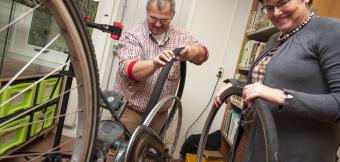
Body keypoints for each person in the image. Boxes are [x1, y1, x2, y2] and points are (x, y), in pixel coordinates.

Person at [214, 0, 340, 161]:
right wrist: (235, 85)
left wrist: (282, 97)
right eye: (269, 7)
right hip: (253, 137)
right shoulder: (275, 38)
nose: (276, 13)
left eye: (283, 2)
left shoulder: (331, 30)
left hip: (292, 151)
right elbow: (268, 83)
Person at [113, 0, 208, 134]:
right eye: (153, 18)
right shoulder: (133, 35)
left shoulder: (182, 37)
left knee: (147, 154)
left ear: (172, 15)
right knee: (118, 152)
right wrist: (154, 64)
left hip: (159, 115)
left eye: (163, 20)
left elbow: (203, 55)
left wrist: (194, 52)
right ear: (147, 12)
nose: (157, 24)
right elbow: (131, 70)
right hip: (129, 111)